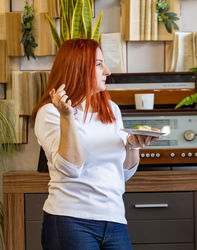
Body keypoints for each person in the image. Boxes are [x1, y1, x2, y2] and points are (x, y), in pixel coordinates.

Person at [32, 38, 158, 250]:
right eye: (99, 64)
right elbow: (71, 169)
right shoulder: (51, 113)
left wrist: (133, 145)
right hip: (71, 219)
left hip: (114, 219)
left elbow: (123, 173)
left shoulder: (111, 109)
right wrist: (67, 117)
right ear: (78, 68)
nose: (107, 71)